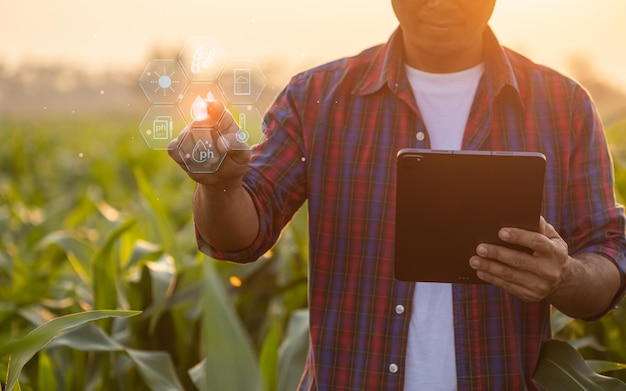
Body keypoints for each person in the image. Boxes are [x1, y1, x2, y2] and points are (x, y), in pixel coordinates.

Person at [168, 0, 626, 389]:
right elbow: (241, 235)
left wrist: (564, 275)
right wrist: (222, 184)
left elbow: (608, 254)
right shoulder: (317, 98)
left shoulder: (563, 106)